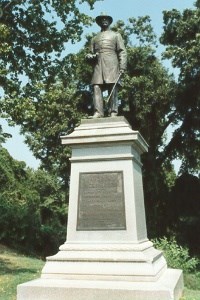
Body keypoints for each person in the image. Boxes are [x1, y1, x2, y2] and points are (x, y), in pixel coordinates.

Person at [86, 13, 127, 118]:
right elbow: (89, 54)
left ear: (109, 21)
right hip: (98, 65)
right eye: (102, 19)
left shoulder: (116, 35)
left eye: (106, 19)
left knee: (112, 86)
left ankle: (113, 111)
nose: (104, 20)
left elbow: (122, 51)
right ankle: (98, 112)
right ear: (99, 23)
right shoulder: (94, 38)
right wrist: (90, 57)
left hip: (112, 63)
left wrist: (122, 66)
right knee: (96, 86)